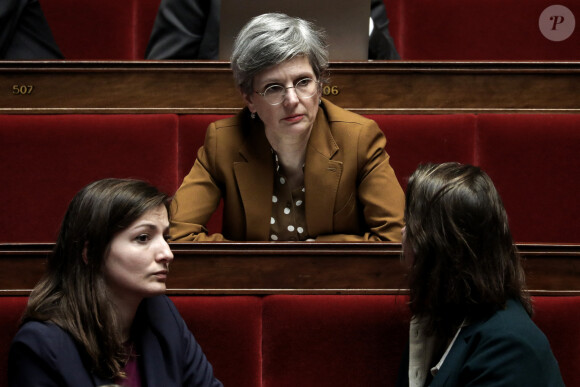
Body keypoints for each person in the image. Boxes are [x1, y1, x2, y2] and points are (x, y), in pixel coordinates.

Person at [170, 13, 405, 242]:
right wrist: (253, 262)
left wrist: (316, 251)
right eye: (273, 88)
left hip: (336, 281)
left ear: (320, 85)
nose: (292, 100)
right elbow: (178, 234)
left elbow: (394, 237)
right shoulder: (223, 141)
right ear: (249, 98)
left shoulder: (359, 138)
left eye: (303, 82)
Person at [8, 179, 223, 386]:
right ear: (90, 253)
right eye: (143, 238)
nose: (167, 254)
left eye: (165, 238)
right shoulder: (40, 345)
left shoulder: (163, 313)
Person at [397, 162, 564, 386]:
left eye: (410, 223)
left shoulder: (509, 348)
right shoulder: (437, 320)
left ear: (437, 248)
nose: (403, 232)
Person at [145, 0, 400, 60]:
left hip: (334, 120)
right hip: (229, 117)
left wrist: (353, 15)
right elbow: (162, 76)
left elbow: (394, 81)